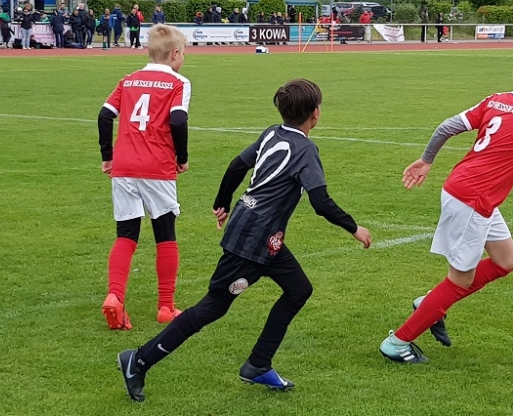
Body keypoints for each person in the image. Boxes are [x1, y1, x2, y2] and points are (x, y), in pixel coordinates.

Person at [115, 78, 372, 401]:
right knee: (213, 307)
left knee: (298, 289)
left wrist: (222, 202)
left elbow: (237, 165)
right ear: (316, 113)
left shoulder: (272, 133)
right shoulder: (306, 150)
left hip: (264, 238)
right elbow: (320, 202)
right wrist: (354, 227)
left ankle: (258, 364)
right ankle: (138, 360)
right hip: (252, 240)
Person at [378, 46, 513, 363]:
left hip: (468, 192)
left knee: (506, 260)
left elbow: (446, 126)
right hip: (472, 200)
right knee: (459, 280)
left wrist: (427, 160)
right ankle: (397, 343)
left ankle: (430, 302)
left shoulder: (496, 100)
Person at [98, 24, 193, 330]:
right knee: (165, 234)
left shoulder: (128, 80)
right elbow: (177, 120)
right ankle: (166, 306)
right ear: (175, 54)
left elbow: (105, 115)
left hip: (124, 166)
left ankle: (115, 296)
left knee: (126, 234)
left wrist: (108, 155)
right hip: (157, 167)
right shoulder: (179, 82)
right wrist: (182, 158)